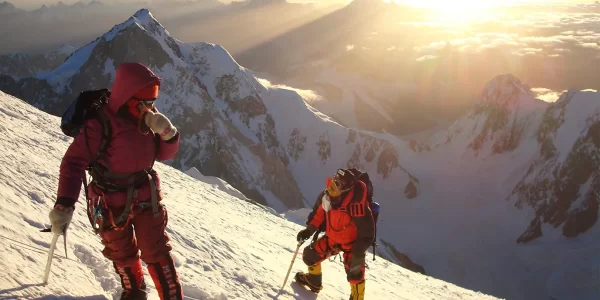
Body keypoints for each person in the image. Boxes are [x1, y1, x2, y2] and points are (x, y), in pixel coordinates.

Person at [48, 62, 183, 300]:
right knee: (122, 253)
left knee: (156, 250)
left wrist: (168, 134)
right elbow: (73, 162)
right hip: (109, 202)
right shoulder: (99, 123)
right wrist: (64, 203)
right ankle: (134, 293)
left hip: (143, 195)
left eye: (152, 102)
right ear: (129, 97)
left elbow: (162, 154)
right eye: (144, 102)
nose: (150, 108)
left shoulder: (146, 119)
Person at [295, 168, 376, 300]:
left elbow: (367, 233)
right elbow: (319, 214)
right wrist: (309, 230)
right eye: (335, 180)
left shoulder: (356, 204)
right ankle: (314, 282)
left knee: (355, 273)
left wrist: (358, 252)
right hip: (332, 239)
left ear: (347, 188)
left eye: (338, 183)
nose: (334, 185)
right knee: (309, 255)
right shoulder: (327, 197)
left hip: (353, 246)